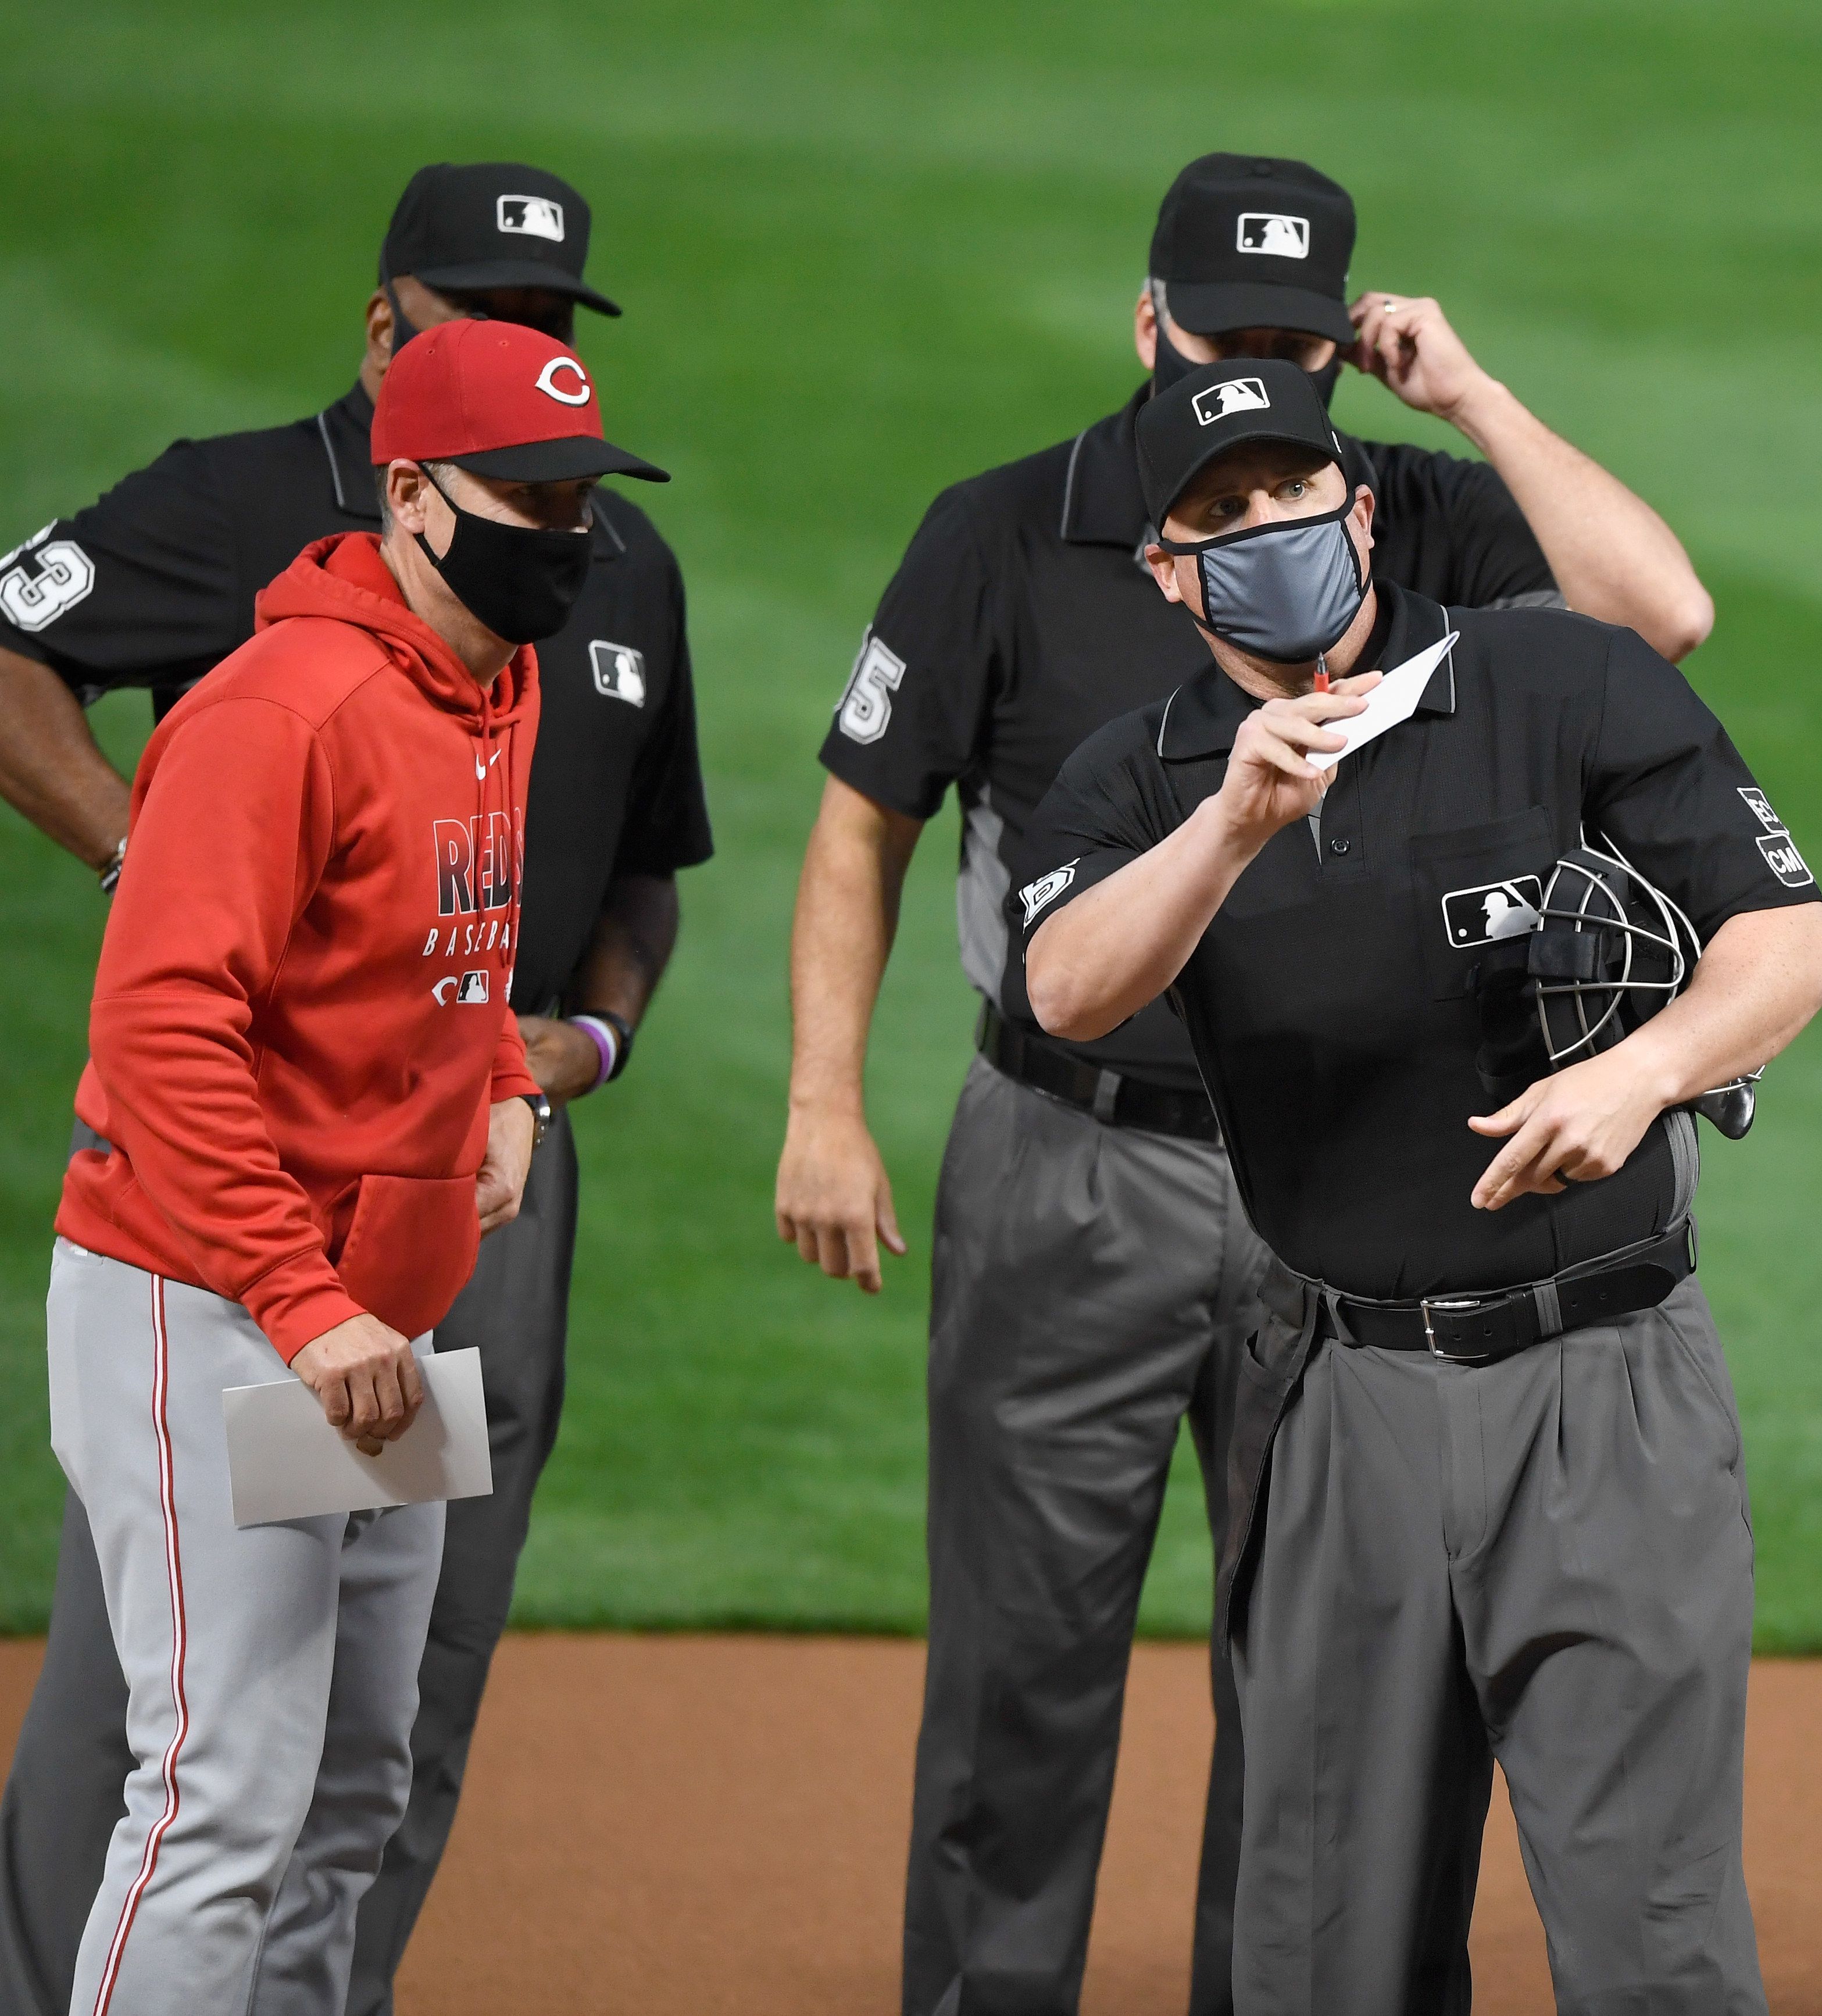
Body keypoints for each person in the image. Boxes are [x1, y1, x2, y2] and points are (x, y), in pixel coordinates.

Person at [771, 152, 1712, 2016]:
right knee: (1024, 1664)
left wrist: (1474, 398)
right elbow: (861, 821)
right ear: (1147, 323)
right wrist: (822, 1094)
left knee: (1314, 1692)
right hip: (1075, 1158)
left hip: (1348, 1184)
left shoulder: (1401, 513)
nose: (1268, 385)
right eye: (1228, 340)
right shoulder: (1004, 531)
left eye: (1307, 352)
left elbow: (1655, 617)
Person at [1016, 358, 1822, 2015]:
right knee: (1328, 1952)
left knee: (1656, 1944)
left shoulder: (1551, 680)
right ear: (1166, 570)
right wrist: (1233, 826)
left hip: (1606, 1391)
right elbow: (1065, 987)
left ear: (1363, 506)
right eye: (1219, 515)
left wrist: (1641, 1070)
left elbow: (1791, 945)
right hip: (1343, 1405)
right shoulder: (1138, 778)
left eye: (1293, 492)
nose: (1271, 529)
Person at [0, 163, 710, 2016]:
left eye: (580, 500)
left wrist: (490, 1081)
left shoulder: (499, 682)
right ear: (410, 492)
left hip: (386, 1319)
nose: (565, 537)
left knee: (352, 1784)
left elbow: (454, 950)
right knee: (220, 1787)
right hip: (210, 1301)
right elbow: (161, 1039)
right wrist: (304, 1308)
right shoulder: (279, 709)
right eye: (527, 504)